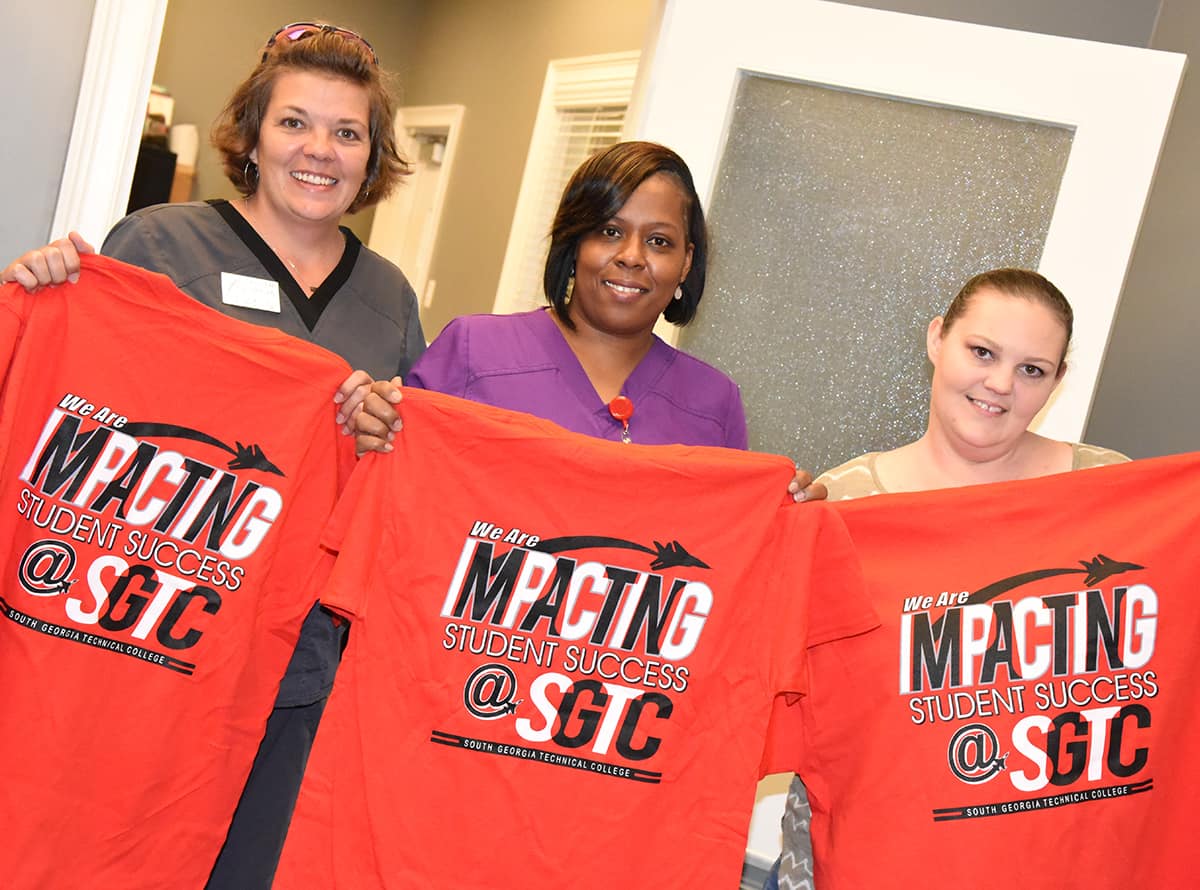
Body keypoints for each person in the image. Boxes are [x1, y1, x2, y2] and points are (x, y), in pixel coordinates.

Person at [3, 22, 426, 890]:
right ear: (254, 134)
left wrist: (384, 425)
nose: (320, 151)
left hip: (295, 659)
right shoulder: (160, 244)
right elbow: (84, 414)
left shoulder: (388, 298)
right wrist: (51, 289)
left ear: (372, 156)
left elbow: (399, 480)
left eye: (348, 134)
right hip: (153, 632)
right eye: (295, 123)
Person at [766, 267, 1128, 890]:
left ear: (1058, 382)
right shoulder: (844, 504)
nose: (1000, 384)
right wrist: (779, 543)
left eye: (1032, 369)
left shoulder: (1107, 494)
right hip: (846, 864)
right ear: (937, 339)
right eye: (981, 351)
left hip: (1037, 861)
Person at [355, 140, 822, 500]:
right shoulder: (476, 350)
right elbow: (393, 492)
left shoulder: (713, 403)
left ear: (685, 263)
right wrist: (371, 434)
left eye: (659, 241)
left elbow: (725, 552)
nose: (632, 257)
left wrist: (789, 516)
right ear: (574, 244)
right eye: (610, 232)